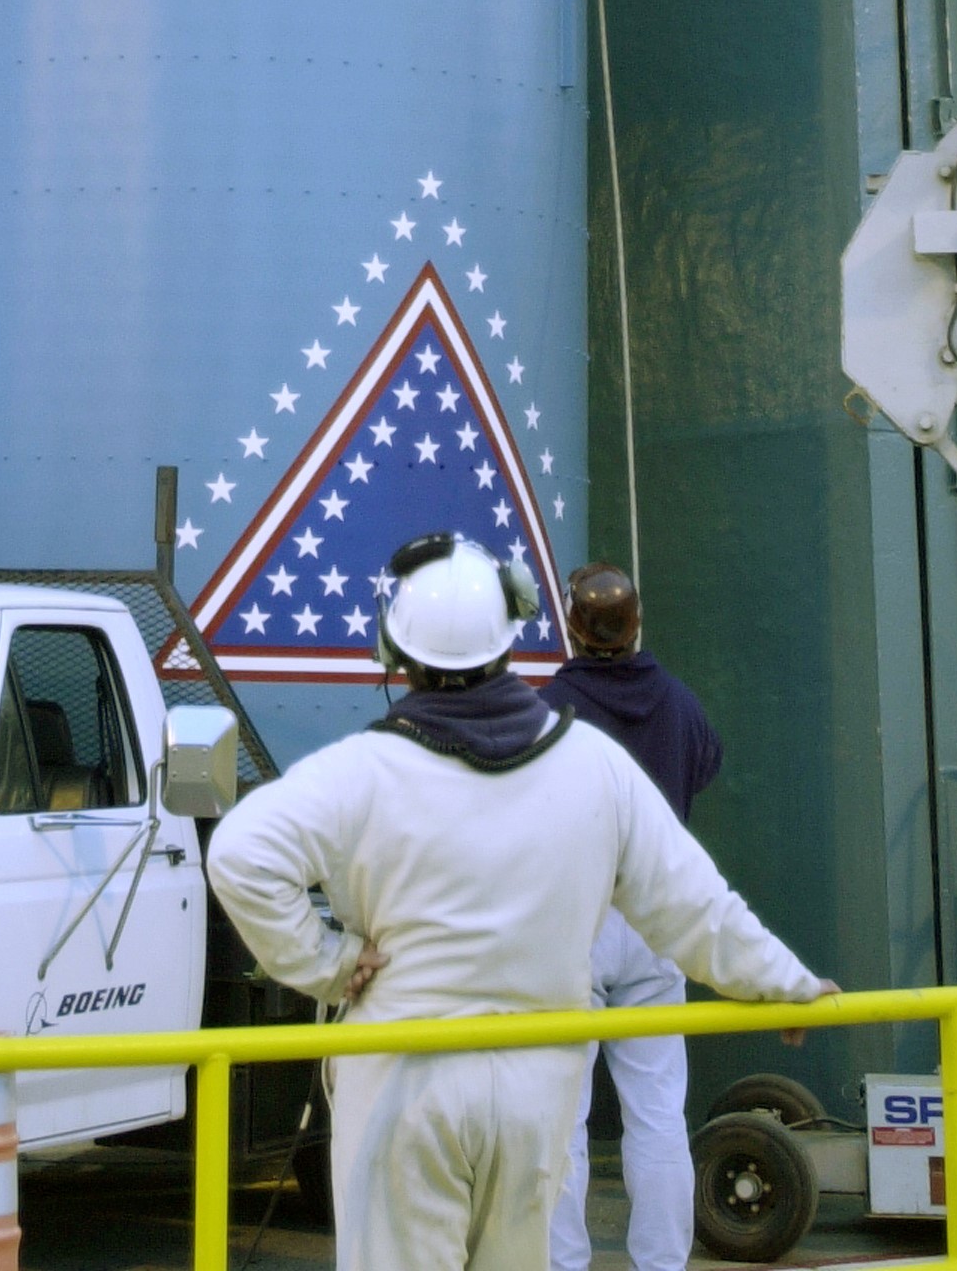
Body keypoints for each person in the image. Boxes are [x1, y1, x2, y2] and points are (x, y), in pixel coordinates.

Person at [205, 533, 833, 1271]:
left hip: (405, 1084)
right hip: (535, 1092)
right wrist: (786, 982)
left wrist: (328, 963)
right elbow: (695, 904)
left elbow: (240, 855)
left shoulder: (359, 773)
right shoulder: (596, 767)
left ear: (393, 651)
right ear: (511, 636)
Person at [544, 564, 722, 1271]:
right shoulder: (679, 702)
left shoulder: (549, 710)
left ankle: (562, 1264)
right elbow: (703, 767)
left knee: (562, 1120)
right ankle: (663, 1264)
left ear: (572, 628)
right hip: (656, 920)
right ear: (637, 623)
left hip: (575, 925)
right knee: (657, 1114)